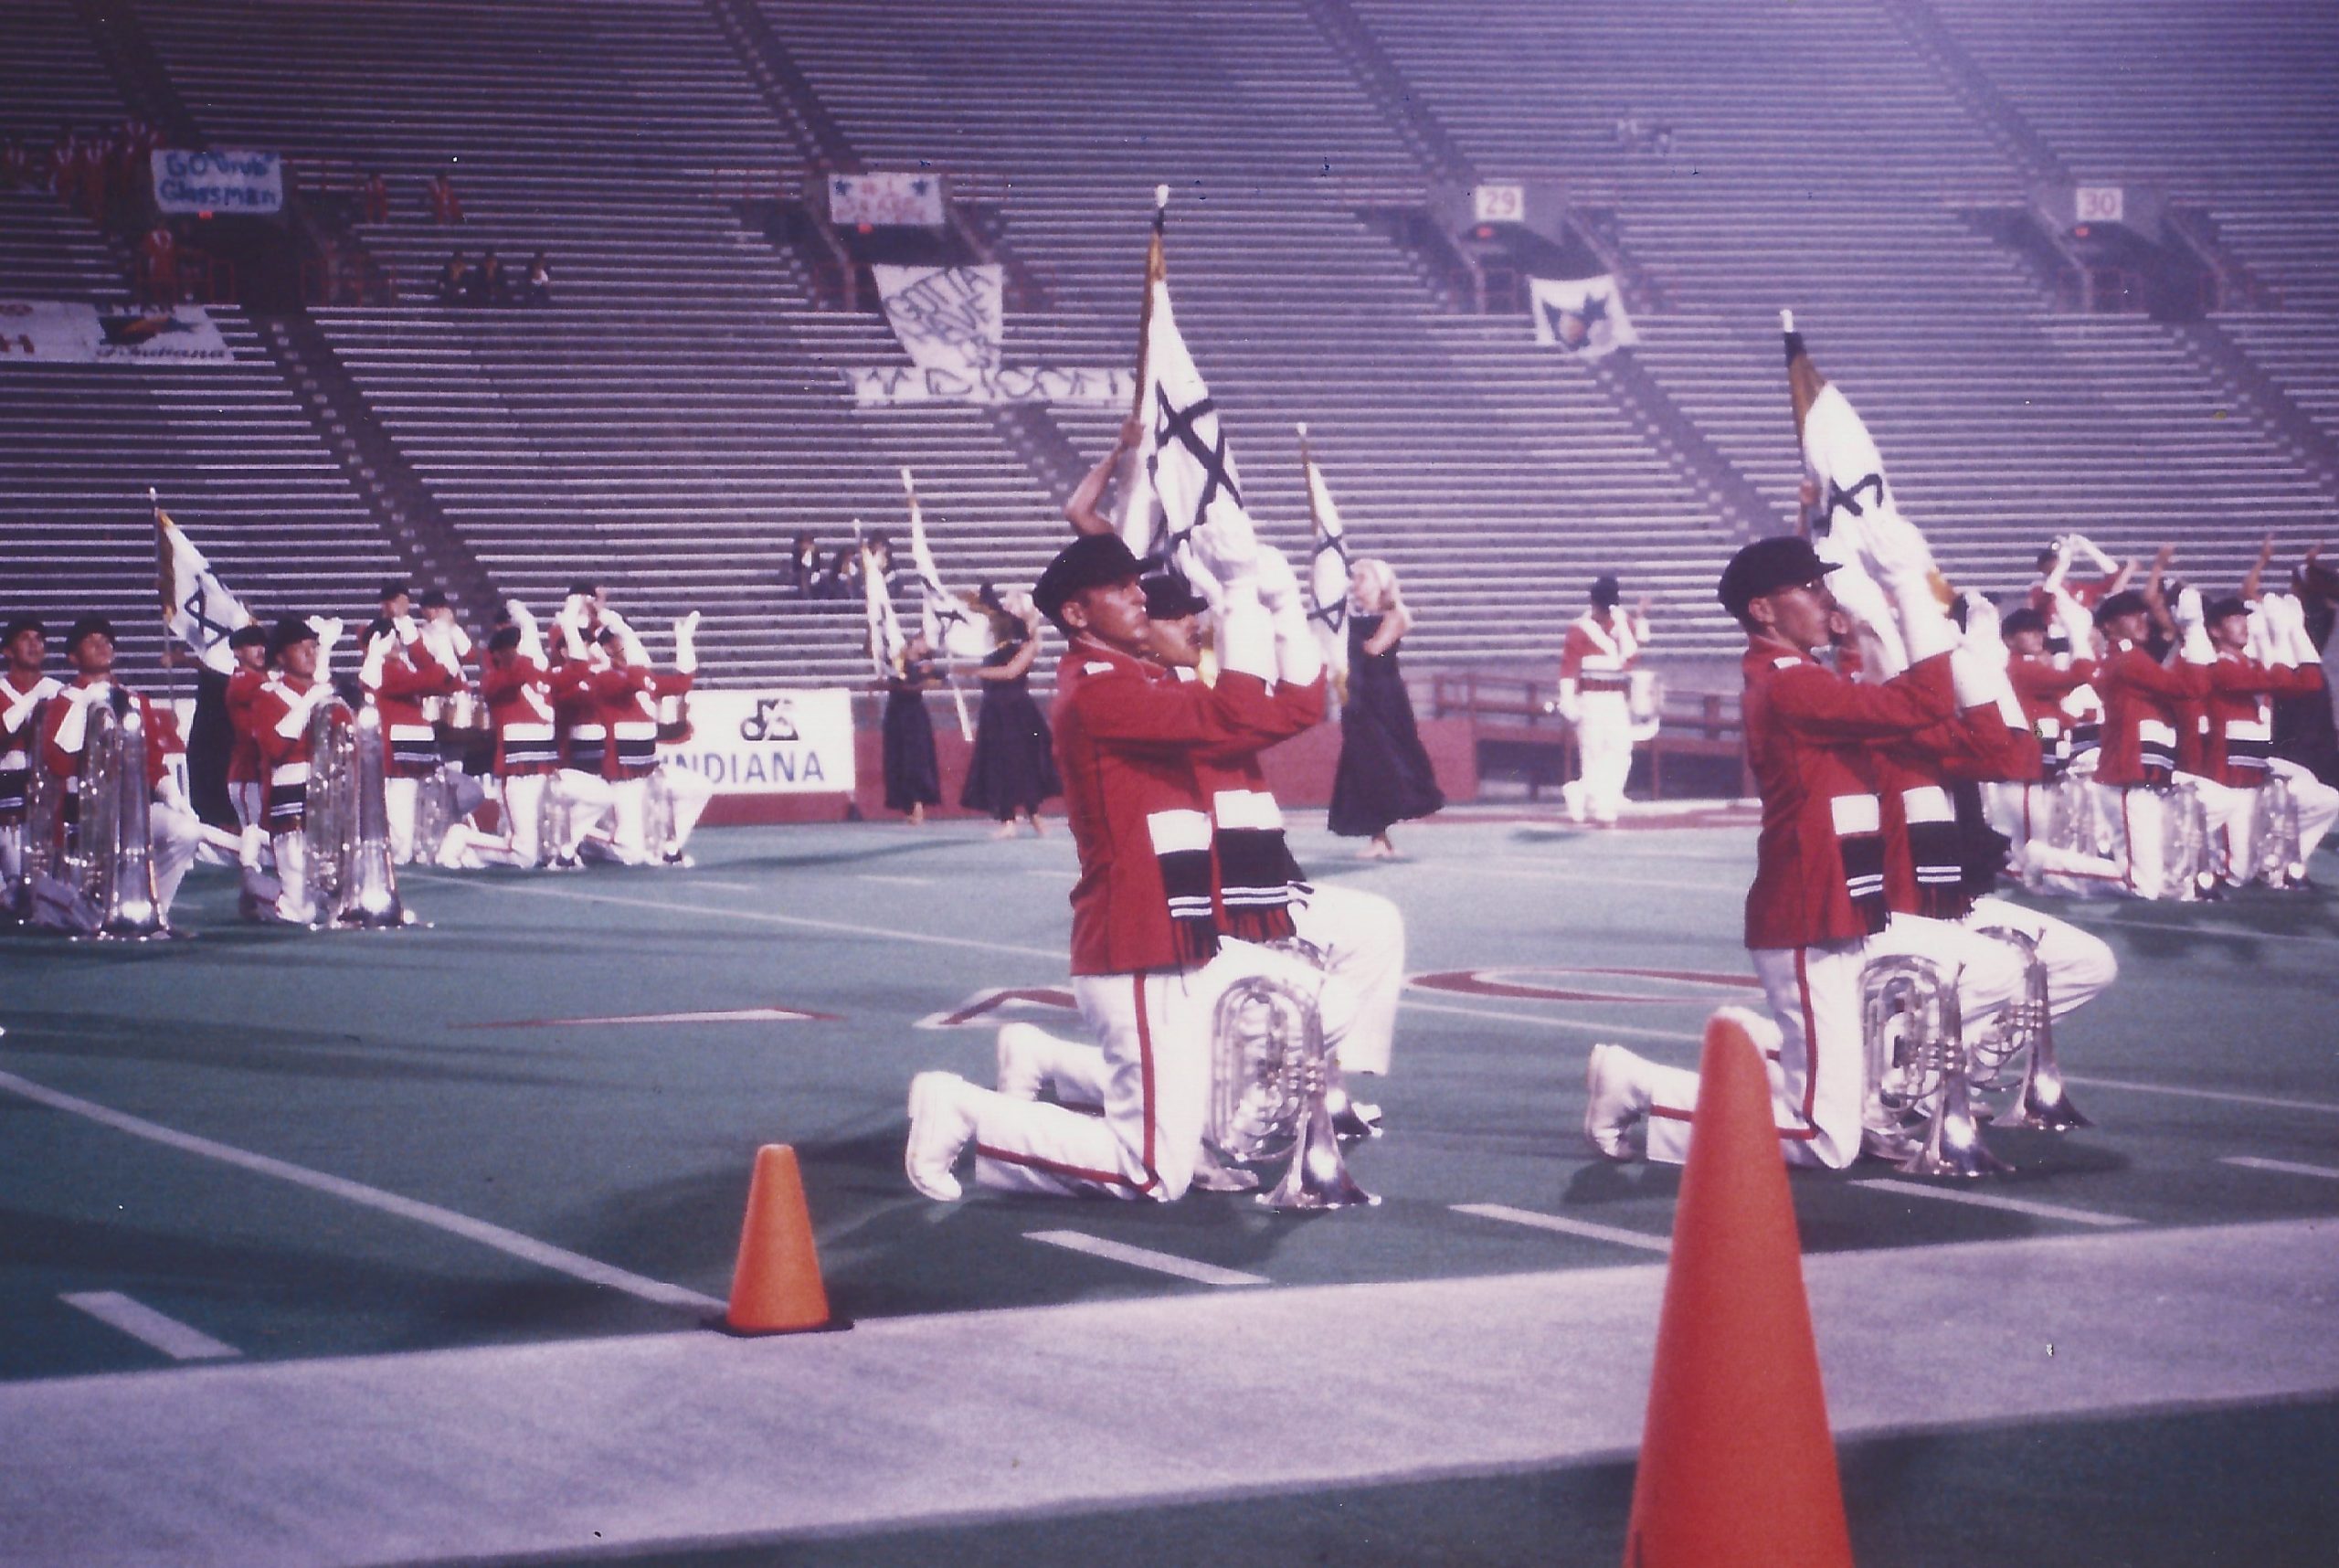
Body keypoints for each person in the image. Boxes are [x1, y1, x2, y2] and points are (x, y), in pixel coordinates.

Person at [903, 532, 1324, 1203]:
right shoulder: (1100, 693)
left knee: (1207, 1113)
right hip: (1139, 946)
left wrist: (1281, 602)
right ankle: (965, 1111)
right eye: (1122, 588)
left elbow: (1297, 708)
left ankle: (1046, 1070)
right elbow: (1237, 708)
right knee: (1153, 1174)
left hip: (1174, 940)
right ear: (1076, 614)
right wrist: (1242, 598)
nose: (1140, 598)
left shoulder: (1136, 682)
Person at [1584, 531, 1965, 1170]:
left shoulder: (1803, 677)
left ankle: (1751, 1044)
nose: (1826, 598)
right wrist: (1908, 593)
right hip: (1808, 914)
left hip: (1834, 907)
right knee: (1826, 1141)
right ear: (1764, 610)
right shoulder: (1791, 685)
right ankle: (1644, 1089)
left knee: (1849, 1092)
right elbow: (1924, 701)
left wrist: (1860, 631)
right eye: (1811, 588)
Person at [34, 617, 205, 931]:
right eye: (91, 641)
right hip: (83, 819)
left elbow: (153, 760)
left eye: (107, 640)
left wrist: (174, 797)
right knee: (80, 918)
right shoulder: (63, 701)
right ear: (73, 657)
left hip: (130, 814)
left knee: (186, 832)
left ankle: (152, 913)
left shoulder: (135, 699)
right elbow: (58, 762)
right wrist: (85, 700)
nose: (103, 645)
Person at [2091, 586, 2217, 898]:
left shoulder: (2135, 659)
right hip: (2127, 782)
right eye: (2130, 616)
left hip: (2143, 781)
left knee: (2156, 880)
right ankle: (2048, 864)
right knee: (2145, 887)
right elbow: (2192, 686)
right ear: (2108, 626)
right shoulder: (2128, 660)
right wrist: (2195, 629)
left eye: (2141, 614)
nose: (2141, 620)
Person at [1328, 557, 1442, 857]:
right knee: (1363, 764)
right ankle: (1379, 838)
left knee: (1385, 761)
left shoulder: (1396, 614)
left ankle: (1381, 837)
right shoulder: (1354, 617)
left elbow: (1373, 648)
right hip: (1359, 695)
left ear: (1380, 581)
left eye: (1362, 578)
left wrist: (1338, 638)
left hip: (1384, 699)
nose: (1356, 585)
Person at [958, 588, 1058, 837]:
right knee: (998, 763)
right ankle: (1008, 819)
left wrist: (973, 673)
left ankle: (1034, 815)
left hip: (1016, 708)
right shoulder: (995, 640)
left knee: (1023, 762)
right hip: (994, 708)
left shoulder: (1028, 643)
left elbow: (1011, 672)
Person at [1555, 574, 1651, 827]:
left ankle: (1591, 797)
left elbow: (1637, 646)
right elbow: (1568, 668)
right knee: (1593, 752)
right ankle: (1599, 807)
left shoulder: (1622, 622)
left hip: (1616, 699)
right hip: (1591, 699)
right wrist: (1568, 701)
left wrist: (1640, 616)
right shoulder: (1579, 629)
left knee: (1620, 751)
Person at [1, 615, 64, 913]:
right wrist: (33, 699)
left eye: (40, 638)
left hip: (44, 795)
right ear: (8, 651)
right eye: (26, 637)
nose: (35, 644)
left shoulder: (57, 690)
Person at [881, 635, 942, 825]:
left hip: (914, 714)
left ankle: (918, 804)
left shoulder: (926, 665)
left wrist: (925, 678)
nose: (925, 645)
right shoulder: (896, 659)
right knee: (897, 758)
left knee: (916, 759)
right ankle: (906, 804)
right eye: (922, 641)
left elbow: (936, 678)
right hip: (896, 714)